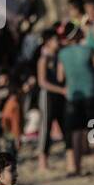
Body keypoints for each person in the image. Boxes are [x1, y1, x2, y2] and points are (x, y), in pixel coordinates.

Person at [57, 23, 94, 176]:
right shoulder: (88, 50)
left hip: (73, 95)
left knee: (76, 131)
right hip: (92, 92)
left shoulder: (62, 54)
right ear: (79, 34)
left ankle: (76, 167)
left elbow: (60, 77)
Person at [35, 29, 67, 172]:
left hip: (59, 95)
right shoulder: (43, 60)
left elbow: (60, 78)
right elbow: (42, 82)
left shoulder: (58, 57)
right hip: (47, 96)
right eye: (55, 40)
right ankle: (42, 161)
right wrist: (61, 90)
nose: (58, 42)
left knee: (64, 125)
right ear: (48, 42)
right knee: (46, 127)